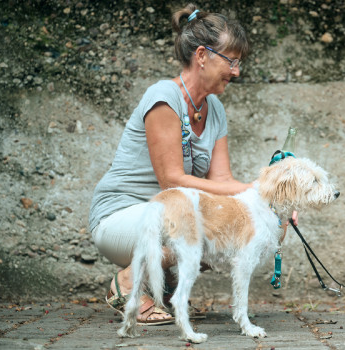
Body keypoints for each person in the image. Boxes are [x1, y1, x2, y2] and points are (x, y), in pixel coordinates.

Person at [88, 4, 253, 325]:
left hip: (162, 217)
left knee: (231, 222)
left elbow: (223, 181)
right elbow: (172, 180)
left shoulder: (214, 109)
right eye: (231, 61)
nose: (236, 71)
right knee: (207, 223)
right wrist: (248, 195)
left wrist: (266, 198)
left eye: (239, 63)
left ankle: (158, 284)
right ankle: (127, 282)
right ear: (202, 56)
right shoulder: (164, 97)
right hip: (119, 219)